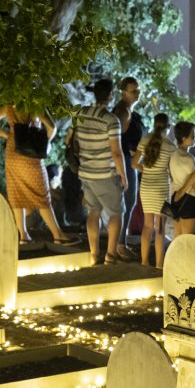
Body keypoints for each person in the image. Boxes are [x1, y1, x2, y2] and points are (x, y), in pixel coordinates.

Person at [0, 105, 75, 245]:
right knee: (42, 193)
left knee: (16, 193)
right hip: (31, 151)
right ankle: (58, 234)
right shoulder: (34, 102)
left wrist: (7, 135)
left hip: (13, 151)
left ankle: (24, 236)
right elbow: (51, 127)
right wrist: (44, 142)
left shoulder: (9, 105)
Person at [73, 79, 128, 265]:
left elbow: (70, 141)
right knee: (116, 213)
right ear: (111, 95)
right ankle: (110, 256)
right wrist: (123, 175)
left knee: (93, 212)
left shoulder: (81, 113)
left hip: (86, 173)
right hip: (105, 174)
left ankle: (93, 254)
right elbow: (116, 152)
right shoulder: (111, 120)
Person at [135, 113, 175, 268]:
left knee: (147, 226)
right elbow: (171, 170)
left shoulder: (145, 140)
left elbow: (134, 164)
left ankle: (144, 262)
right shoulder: (170, 146)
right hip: (161, 189)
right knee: (159, 228)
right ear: (168, 127)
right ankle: (159, 264)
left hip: (146, 187)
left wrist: (145, 171)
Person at [111, 77, 144, 259]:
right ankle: (119, 244)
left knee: (128, 202)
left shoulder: (127, 110)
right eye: (133, 91)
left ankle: (119, 242)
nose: (137, 94)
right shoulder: (123, 112)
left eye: (138, 90)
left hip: (127, 160)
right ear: (124, 92)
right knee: (127, 202)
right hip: (125, 161)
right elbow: (118, 137)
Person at [168, 121, 195, 236]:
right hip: (189, 200)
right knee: (188, 240)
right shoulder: (188, 159)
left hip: (175, 198)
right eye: (192, 135)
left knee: (178, 239)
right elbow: (194, 185)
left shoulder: (173, 155)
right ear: (183, 138)